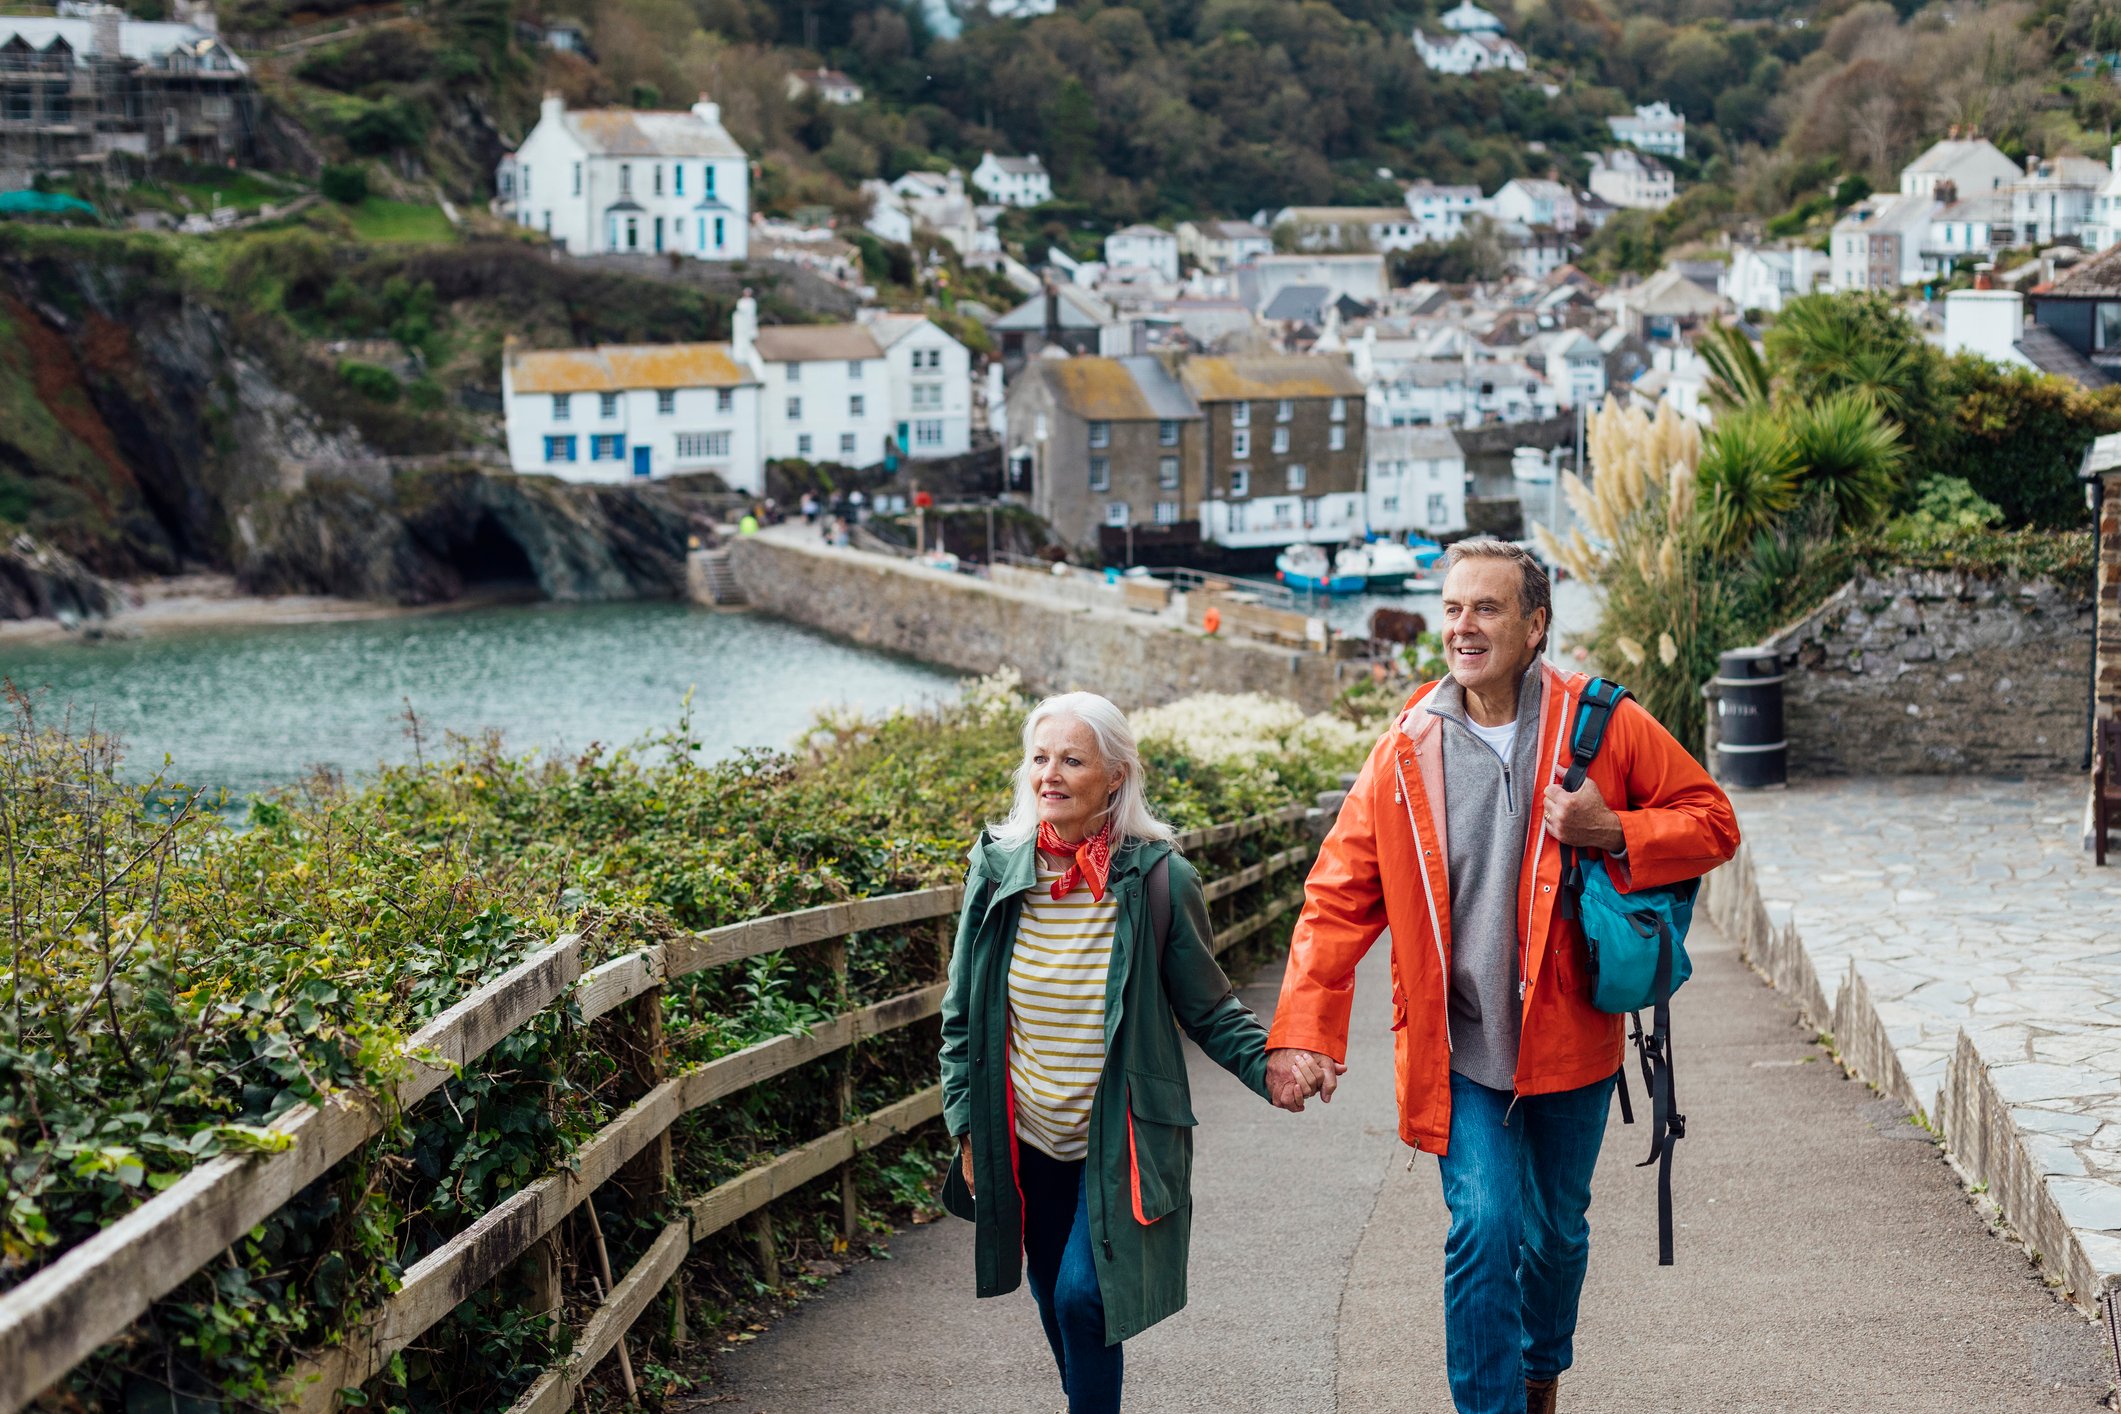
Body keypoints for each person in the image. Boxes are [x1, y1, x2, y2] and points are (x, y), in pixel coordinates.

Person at [1264, 538, 1738, 1414]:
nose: (1462, 626)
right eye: (1450, 608)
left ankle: (1539, 1371)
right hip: (1461, 1046)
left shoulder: (1602, 724)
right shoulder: (1406, 746)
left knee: (1555, 1237)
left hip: (1571, 1038)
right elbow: (1337, 896)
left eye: (1485, 608)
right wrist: (1301, 1033)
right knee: (1483, 1230)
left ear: (1535, 624)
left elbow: (1713, 822)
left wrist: (1615, 831)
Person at [939, 693, 1300, 1414]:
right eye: (1040, 758)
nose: (1050, 774)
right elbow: (959, 1018)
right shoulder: (997, 870)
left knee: (1082, 1299)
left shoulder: (1161, 881)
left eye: (1072, 759)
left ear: (1114, 776)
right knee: (1051, 1293)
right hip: (1026, 1139)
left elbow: (1208, 1007)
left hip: (1119, 1141)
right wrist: (966, 1127)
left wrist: (1272, 1067)